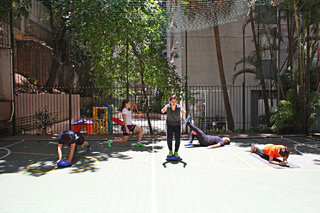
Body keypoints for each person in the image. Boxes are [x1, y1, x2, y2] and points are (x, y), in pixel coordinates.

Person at [161, 95, 186, 160]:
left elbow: (183, 110)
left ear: (177, 101)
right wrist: (163, 110)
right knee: (169, 138)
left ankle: (176, 152)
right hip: (169, 124)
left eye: (175, 101)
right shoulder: (168, 106)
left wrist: (184, 111)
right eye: (172, 101)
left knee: (178, 139)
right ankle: (170, 151)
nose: (174, 103)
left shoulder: (179, 107)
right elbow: (163, 110)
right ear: (170, 102)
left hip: (177, 125)